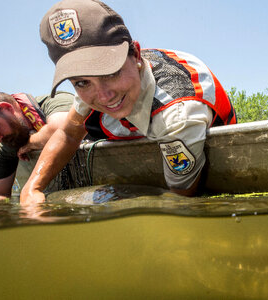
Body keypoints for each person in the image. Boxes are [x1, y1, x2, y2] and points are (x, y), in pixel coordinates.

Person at [20, 0, 236, 204]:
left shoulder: (177, 114)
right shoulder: (99, 89)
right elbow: (68, 133)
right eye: (82, 82)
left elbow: (180, 199)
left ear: (137, 56)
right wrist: (32, 188)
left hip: (185, 139)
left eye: (111, 72)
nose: (104, 96)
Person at [0, 87, 75, 201]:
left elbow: (66, 129)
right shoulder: (1, 146)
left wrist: (30, 143)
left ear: (6, 108)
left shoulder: (56, 100)